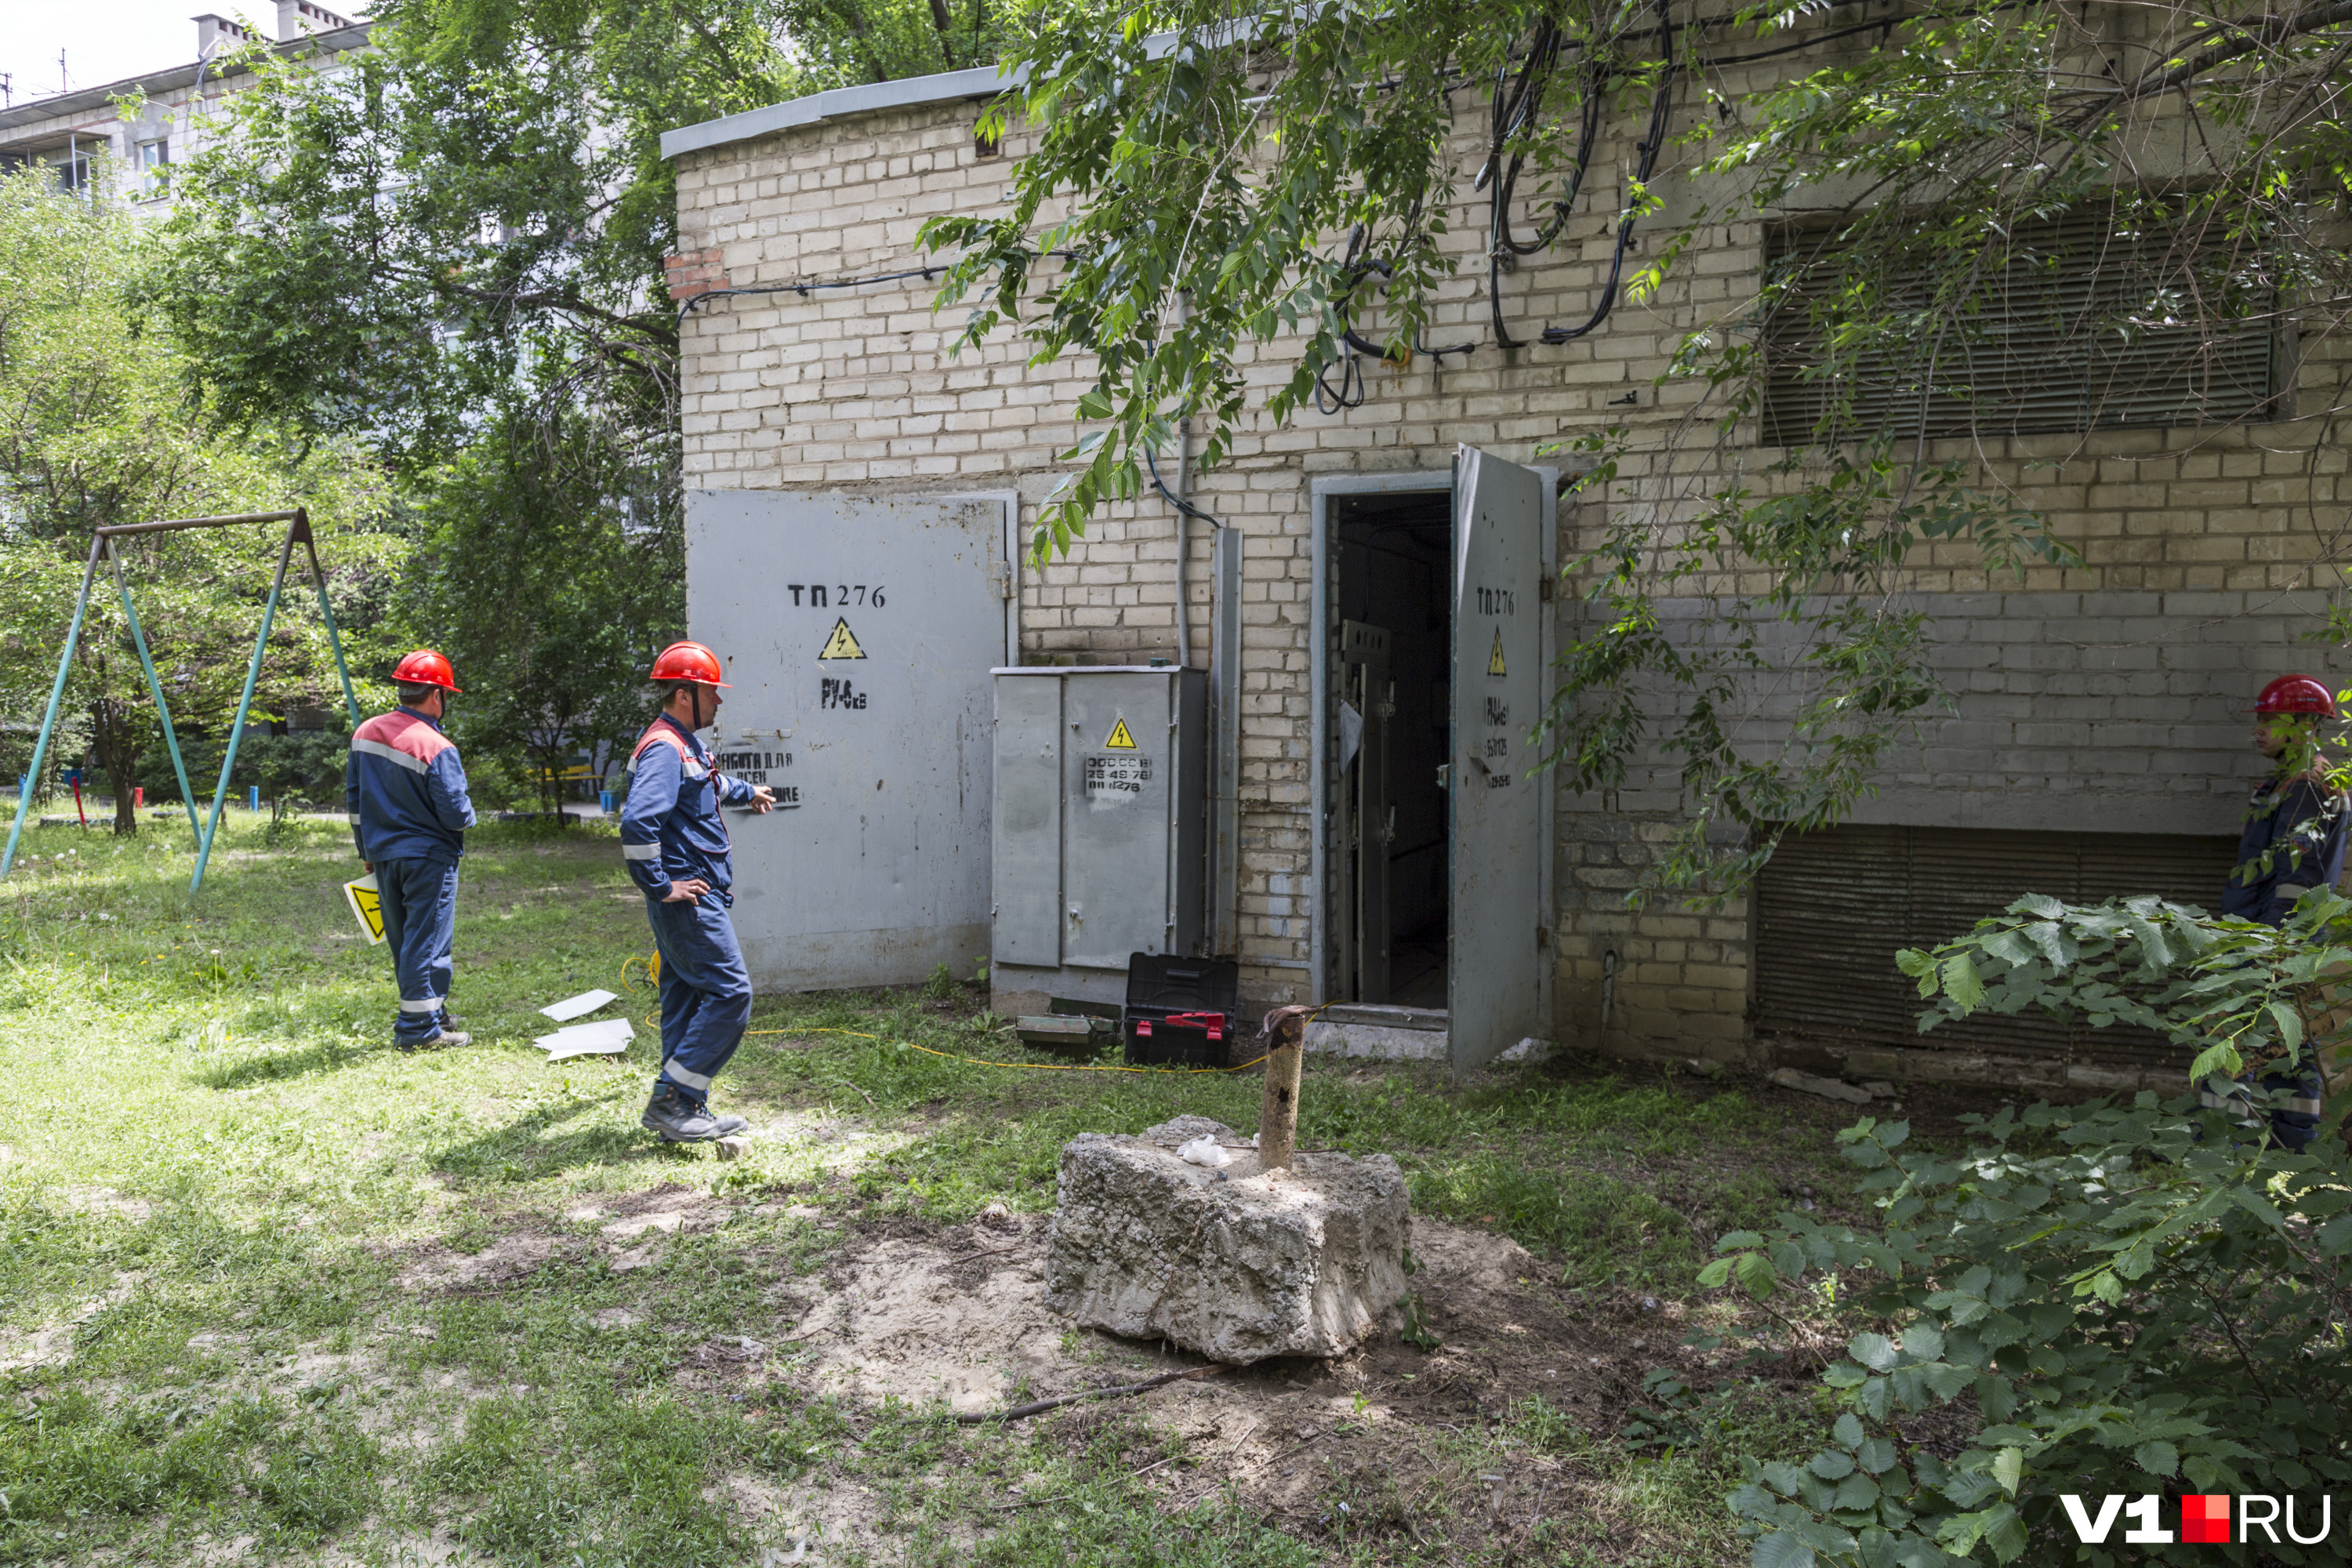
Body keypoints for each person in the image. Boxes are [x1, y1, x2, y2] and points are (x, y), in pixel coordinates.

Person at [619, 641, 776, 1142]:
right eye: (712, 692)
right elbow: (638, 824)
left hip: (690, 894)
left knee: (685, 1001)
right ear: (685, 694)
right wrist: (661, 887)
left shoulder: (682, 744)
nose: (719, 701)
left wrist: (746, 790)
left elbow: (705, 785)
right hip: (688, 898)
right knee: (731, 993)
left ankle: (683, 1110)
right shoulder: (665, 748)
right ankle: (672, 1102)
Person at [2212, 673, 2347, 1149]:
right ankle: (2272, 1148)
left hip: (2275, 942)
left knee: (2246, 1045)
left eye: (2272, 719)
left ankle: (2240, 1149)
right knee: (2280, 1044)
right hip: (2259, 935)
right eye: (2260, 720)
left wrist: (2269, 947)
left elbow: (2297, 879)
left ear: (2307, 725)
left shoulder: (2309, 789)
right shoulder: (2282, 785)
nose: (2260, 729)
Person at [346, 650, 478, 1050]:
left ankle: (432, 1014)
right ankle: (418, 1030)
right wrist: (470, 814)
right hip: (429, 858)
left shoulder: (364, 733)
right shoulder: (436, 745)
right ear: (437, 695)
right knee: (429, 942)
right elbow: (456, 815)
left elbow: (355, 802)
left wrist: (365, 850)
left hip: (383, 854)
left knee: (405, 940)